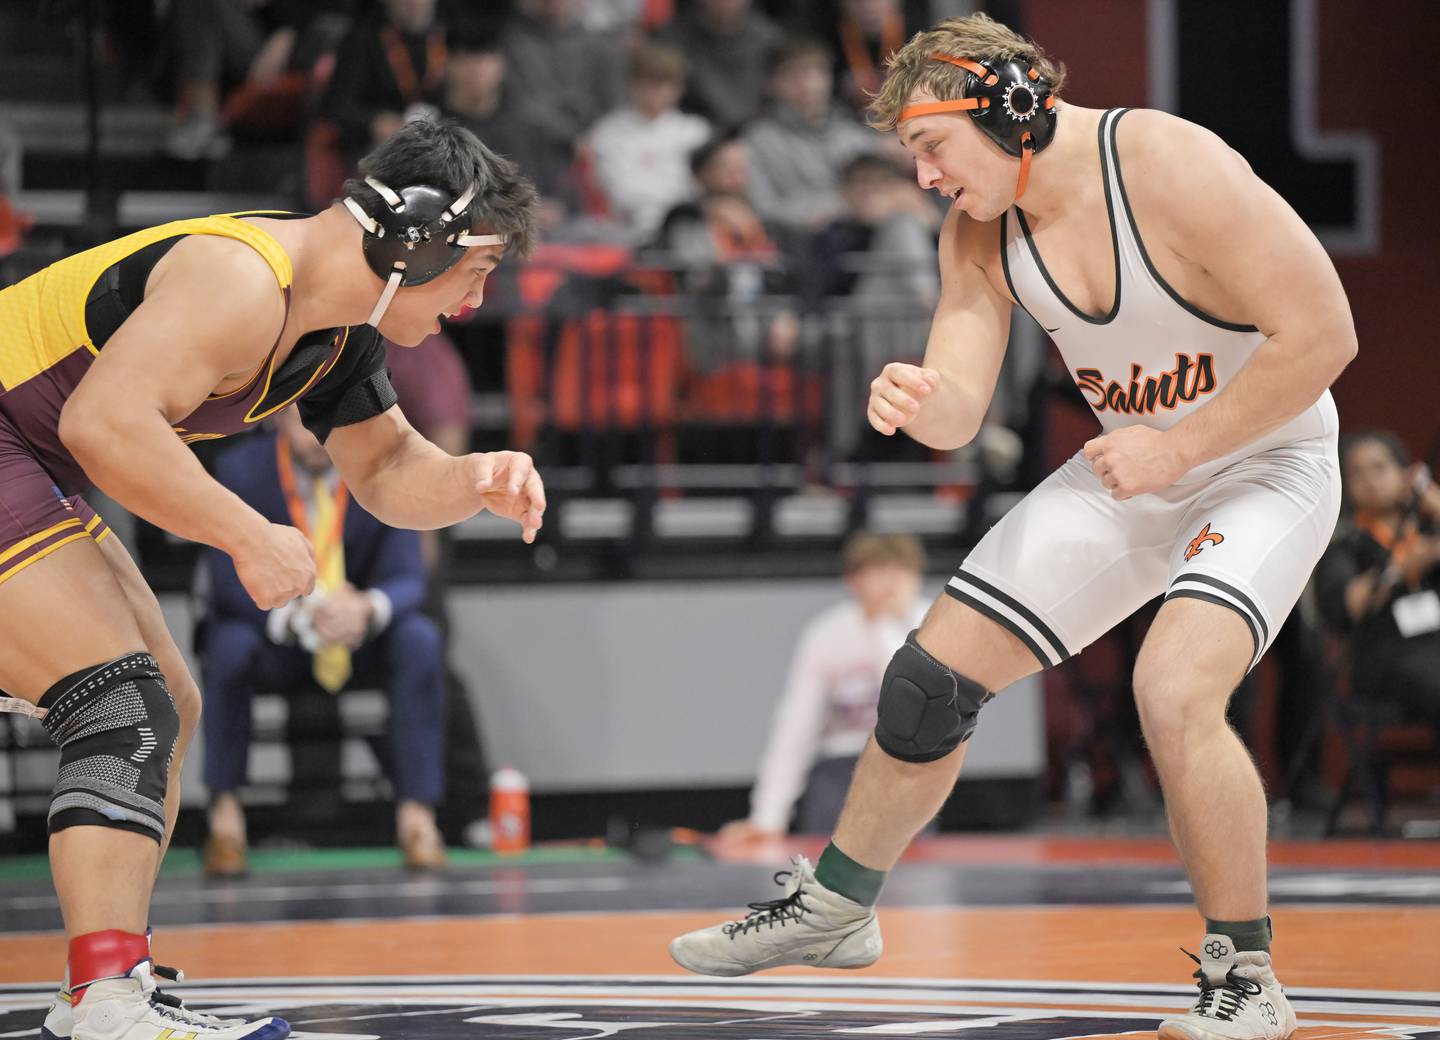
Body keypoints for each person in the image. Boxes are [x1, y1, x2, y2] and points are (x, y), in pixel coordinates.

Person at [670, 15, 1355, 1040]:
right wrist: (915, 396)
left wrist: (1180, 447)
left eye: (933, 147)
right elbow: (959, 415)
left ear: (1010, 107)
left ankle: (1245, 971)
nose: (927, 179)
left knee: (1172, 686)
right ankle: (839, 905)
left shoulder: (1168, 163)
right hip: (1138, 467)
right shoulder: (981, 231)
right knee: (928, 681)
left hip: (1265, 458)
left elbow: (1326, 334)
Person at [0, 118, 541, 1040]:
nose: (474, 306)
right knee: (124, 707)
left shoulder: (336, 334)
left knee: (167, 699)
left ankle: (110, 981)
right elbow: (105, 425)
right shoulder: (241, 276)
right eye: (476, 274)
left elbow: (384, 471)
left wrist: (471, 478)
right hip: (28, 448)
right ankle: (101, 1000)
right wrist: (248, 534)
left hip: (27, 460)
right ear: (416, 239)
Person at [199, 407, 449, 877]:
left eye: (327, 424)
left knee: (420, 638)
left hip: (358, 638)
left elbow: (410, 577)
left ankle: (418, 818)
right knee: (227, 645)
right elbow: (225, 583)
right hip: (279, 634)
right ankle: (225, 820)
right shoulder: (240, 471)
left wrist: (367, 608)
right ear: (277, 418)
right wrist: (295, 615)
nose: (317, 437)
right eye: (303, 423)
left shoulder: (378, 469)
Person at [719, 534, 927, 841]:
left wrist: (884, 629)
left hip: (909, 765)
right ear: (853, 581)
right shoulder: (827, 636)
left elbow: (917, 701)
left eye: (901, 572)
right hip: (841, 766)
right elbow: (796, 726)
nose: (890, 584)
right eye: (878, 572)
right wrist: (768, 817)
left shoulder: (933, 624)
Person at [1314, 432, 1440, 729]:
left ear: (1404, 473)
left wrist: (1432, 497)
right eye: (1357, 473)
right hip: (1386, 657)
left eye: (1380, 468)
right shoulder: (1346, 544)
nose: (1370, 480)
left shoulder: (1427, 531)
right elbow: (1343, 606)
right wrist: (1400, 567)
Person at [587, 41, 711, 243]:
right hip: (628, 232)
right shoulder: (606, 134)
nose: (653, 92)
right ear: (631, 84)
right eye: (645, 83)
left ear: (678, 88)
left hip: (688, 230)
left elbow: (702, 191)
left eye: (662, 84)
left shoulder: (696, 132)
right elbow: (620, 193)